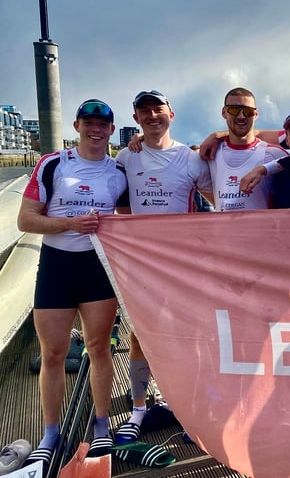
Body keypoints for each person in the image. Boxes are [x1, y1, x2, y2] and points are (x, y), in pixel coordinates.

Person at [17, 99, 129, 467]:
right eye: (88, 123)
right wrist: (70, 223)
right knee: (52, 354)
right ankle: (50, 432)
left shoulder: (118, 172)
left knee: (99, 348)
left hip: (98, 267)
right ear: (77, 126)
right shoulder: (52, 164)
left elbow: (129, 223)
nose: (95, 130)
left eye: (103, 124)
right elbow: (26, 220)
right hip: (57, 266)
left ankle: (100, 425)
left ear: (112, 129)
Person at [113, 90, 213, 444]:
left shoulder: (191, 159)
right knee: (140, 336)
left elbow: (222, 203)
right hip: (143, 265)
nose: (152, 115)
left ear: (171, 114)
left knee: (188, 337)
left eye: (158, 109)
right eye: (144, 111)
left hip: (184, 264)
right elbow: (123, 210)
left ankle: (189, 408)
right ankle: (138, 409)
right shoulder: (127, 156)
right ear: (136, 119)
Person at [208, 87, 288, 211]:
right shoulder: (210, 153)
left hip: (262, 230)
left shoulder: (275, 153)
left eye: (248, 111)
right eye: (234, 110)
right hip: (224, 230)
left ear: (256, 114)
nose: (241, 116)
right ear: (224, 112)